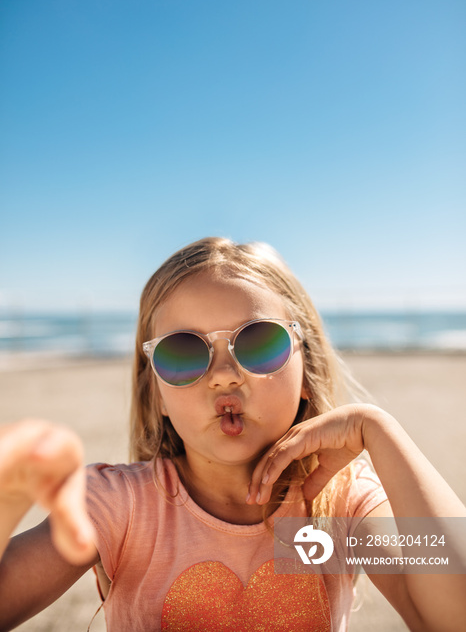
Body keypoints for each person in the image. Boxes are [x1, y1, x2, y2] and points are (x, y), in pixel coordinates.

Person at [0, 237, 465, 632]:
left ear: (306, 371)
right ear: (157, 394)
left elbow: (448, 615)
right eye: (184, 353)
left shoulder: (336, 509)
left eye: (259, 343)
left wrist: (381, 432)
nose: (224, 375)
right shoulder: (119, 508)